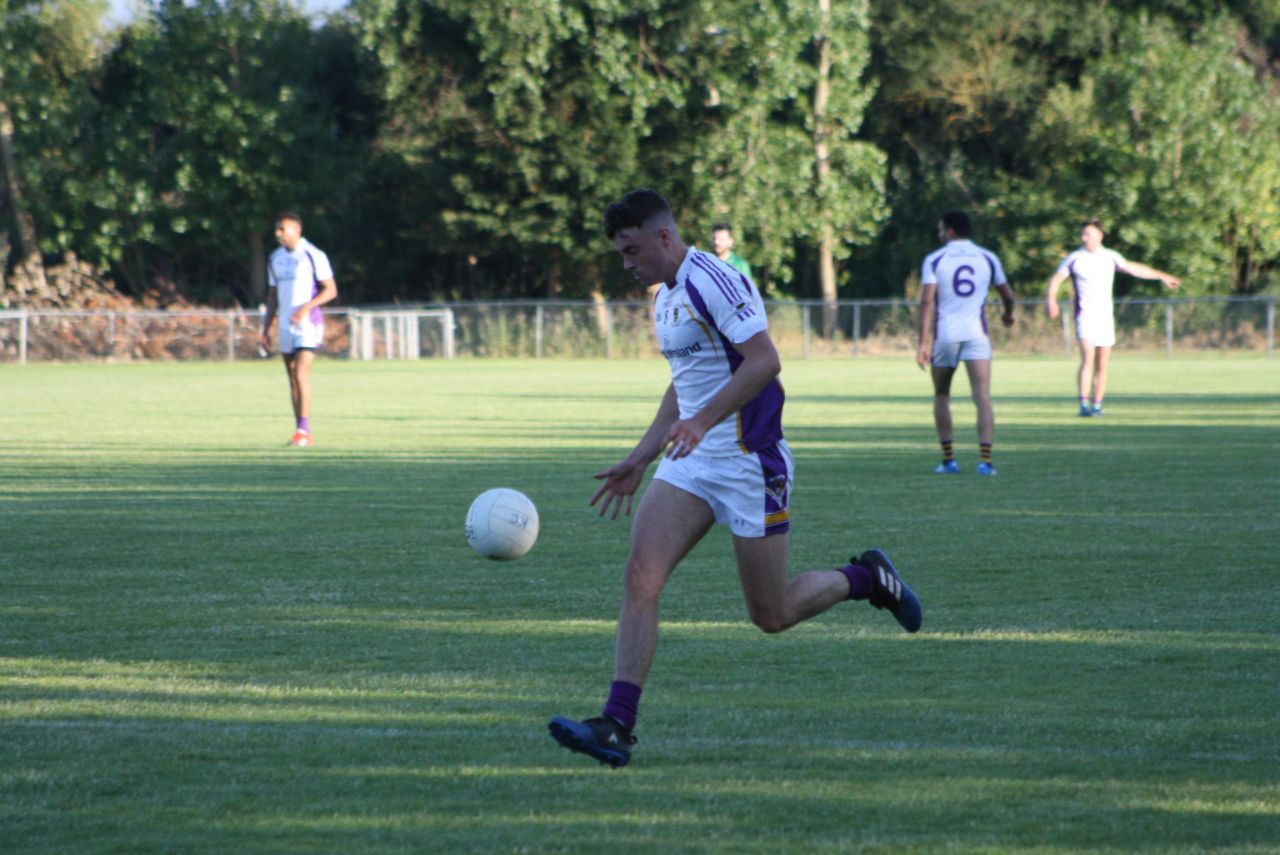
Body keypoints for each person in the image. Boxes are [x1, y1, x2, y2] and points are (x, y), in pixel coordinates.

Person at [547, 188, 922, 769]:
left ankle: (866, 578)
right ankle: (616, 724)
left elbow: (765, 360)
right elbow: (683, 384)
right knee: (641, 574)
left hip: (750, 460)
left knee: (770, 616)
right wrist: (641, 456)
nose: (627, 264)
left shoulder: (713, 279)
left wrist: (703, 421)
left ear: (665, 237)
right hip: (692, 460)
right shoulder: (664, 298)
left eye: (631, 249)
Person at [1045, 219, 1180, 417]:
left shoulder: (1110, 257)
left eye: (1088, 234)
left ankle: (1097, 405)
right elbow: (1056, 279)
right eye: (1082, 234)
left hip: (1105, 319)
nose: (1084, 238)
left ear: (1100, 235)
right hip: (1085, 316)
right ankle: (1083, 405)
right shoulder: (1075, 258)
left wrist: (1161, 276)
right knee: (1087, 360)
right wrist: (1051, 300)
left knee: (1102, 364)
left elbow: (1135, 269)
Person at [916, 211, 1015, 476]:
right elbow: (1007, 293)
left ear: (949, 231)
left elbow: (927, 302)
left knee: (941, 394)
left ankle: (949, 461)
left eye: (940, 229)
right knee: (982, 396)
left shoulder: (935, 259)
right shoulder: (987, 257)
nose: (939, 235)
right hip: (976, 334)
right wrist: (1008, 314)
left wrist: (923, 343)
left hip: (946, 335)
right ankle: (986, 462)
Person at [259, 212, 338, 447]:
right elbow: (272, 297)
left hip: (309, 323)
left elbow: (330, 290)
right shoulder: (275, 258)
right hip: (285, 325)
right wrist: (265, 328)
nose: (278, 234)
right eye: (277, 229)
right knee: (292, 376)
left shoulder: (313, 255)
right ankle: (300, 431)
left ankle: (304, 430)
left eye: (282, 229)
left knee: (301, 373)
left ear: (297, 230)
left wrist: (306, 308)